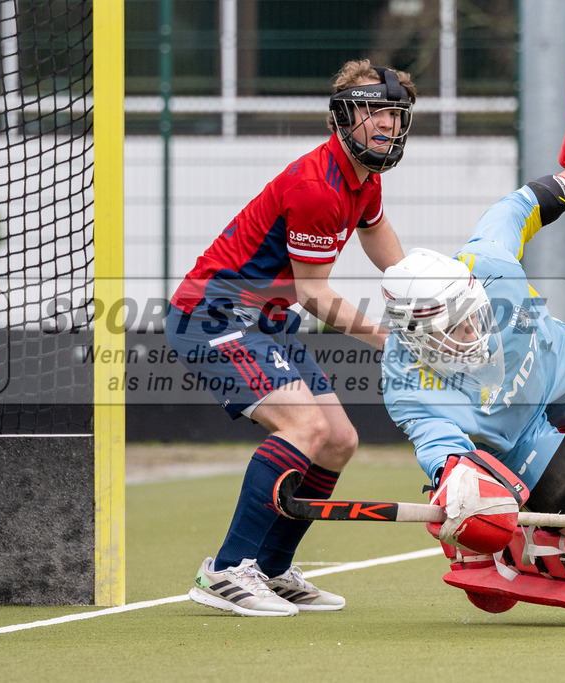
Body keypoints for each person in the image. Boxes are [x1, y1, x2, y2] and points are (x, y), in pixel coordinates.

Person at [165, 59, 416, 617]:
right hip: (215, 314)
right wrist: (392, 338)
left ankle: (272, 569)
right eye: (373, 111)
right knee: (305, 427)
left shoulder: (365, 179)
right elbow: (314, 293)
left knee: (338, 440)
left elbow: (378, 235)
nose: (386, 123)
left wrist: (423, 297)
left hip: (267, 320)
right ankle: (227, 570)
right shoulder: (316, 188)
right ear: (342, 118)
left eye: (395, 114)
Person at [379, 165, 565, 564]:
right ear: (417, 338)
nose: (472, 334)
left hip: (563, 362)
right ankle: (517, 545)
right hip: (521, 440)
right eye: (454, 330)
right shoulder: (405, 380)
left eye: (473, 317)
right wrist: (453, 478)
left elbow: (521, 206)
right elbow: (437, 442)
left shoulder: (488, 262)